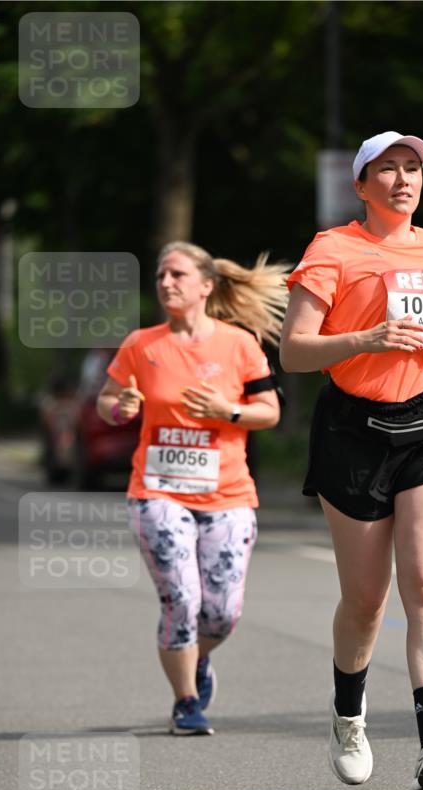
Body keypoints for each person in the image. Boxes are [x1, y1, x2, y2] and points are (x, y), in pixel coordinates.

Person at [280, 131, 423, 790]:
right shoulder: (331, 250)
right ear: (361, 185)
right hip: (355, 431)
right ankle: (349, 716)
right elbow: (294, 352)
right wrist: (364, 339)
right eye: (387, 170)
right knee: (366, 600)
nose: (403, 179)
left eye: (412, 169)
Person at [98, 241, 287, 734]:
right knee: (182, 598)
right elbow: (107, 400)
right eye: (161, 275)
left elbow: (270, 412)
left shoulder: (239, 344)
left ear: (206, 285)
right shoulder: (142, 344)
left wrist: (227, 412)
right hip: (157, 492)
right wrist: (121, 408)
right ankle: (186, 701)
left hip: (228, 495)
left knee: (222, 612)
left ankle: (196, 661)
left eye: (177, 275)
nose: (166, 283)